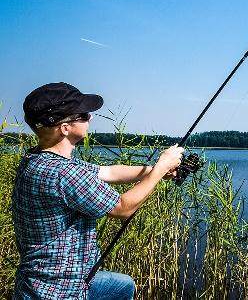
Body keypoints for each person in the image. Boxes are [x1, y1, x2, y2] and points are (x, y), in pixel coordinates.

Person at [12, 82, 184, 299]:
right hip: (59, 290)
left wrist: (152, 171)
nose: (90, 118)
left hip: (45, 280)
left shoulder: (37, 159)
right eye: (83, 115)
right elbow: (122, 208)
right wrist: (160, 168)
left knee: (123, 286)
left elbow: (108, 172)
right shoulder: (64, 173)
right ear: (65, 128)